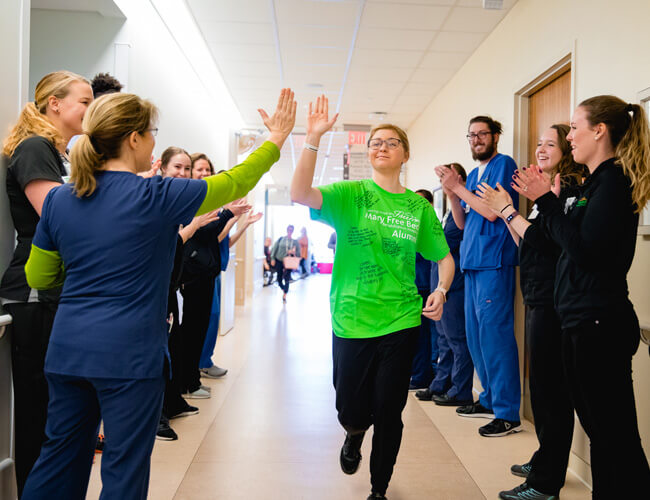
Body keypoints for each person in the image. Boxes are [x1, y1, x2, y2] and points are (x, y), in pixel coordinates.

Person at [20, 88, 296, 499]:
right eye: (151, 133)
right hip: (130, 357)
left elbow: (39, 276)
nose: (153, 141)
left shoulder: (61, 198)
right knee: (124, 464)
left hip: (68, 351)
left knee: (59, 456)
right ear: (133, 139)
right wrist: (275, 139)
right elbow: (236, 180)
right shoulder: (160, 196)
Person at [291, 95, 454, 500]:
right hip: (351, 316)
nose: (381, 146)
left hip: (400, 318)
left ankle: (379, 487)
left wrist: (440, 288)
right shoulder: (351, 194)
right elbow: (299, 193)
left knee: (390, 411)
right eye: (375, 142)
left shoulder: (418, 207)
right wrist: (313, 138)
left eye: (391, 142)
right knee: (350, 405)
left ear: (405, 155)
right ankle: (353, 431)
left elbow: (444, 258)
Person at [510, 96, 650, 499]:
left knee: (615, 439)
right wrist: (548, 205)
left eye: (574, 128)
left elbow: (586, 251)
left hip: (599, 324)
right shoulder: (595, 183)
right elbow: (562, 242)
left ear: (599, 131)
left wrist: (546, 201)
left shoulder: (614, 181)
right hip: (581, 322)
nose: (569, 137)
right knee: (606, 437)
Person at [477, 125, 586, 499]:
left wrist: (506, 209)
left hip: (557, 301)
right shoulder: (546, 195)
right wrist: (507, 210)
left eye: (550, 143)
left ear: (568, 150)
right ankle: (545, 460)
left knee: (551, 392)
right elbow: (527, 239)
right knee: (541, 390)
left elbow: (545, 241)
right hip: (539, 296)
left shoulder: (567, 192)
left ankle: (545, 481)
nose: (540, 149)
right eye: (538, 143)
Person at [0, 70, 93, 496]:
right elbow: (57, 217)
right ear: (54, 103)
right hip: (33, 296)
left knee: (55, 410)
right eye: (85, 101)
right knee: (40, 413)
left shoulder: (55, 152)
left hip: (51, 295)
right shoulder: (36, 148)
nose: (90, 110)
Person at [435, 115, 521, 437]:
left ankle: (507, 412)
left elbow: (491, 211)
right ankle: (487, 399)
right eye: (471, 135)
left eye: (482, 134)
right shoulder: (472, 174)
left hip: (493, 262)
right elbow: (461, 223)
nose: (476, 140)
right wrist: (454, 194)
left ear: (495, 136)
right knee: (475, 338)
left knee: (495, 338)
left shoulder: (503, 164)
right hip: (471, 262)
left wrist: (457, 187)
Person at [156, 146, 214, 441]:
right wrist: (193, 226)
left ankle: (172, 403)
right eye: (177, 167)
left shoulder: (179, 202)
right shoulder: (156, 198)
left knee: (173, 346)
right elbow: (165, 242)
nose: (184, 173)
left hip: (171, 285)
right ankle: (157, 416)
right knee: (159, 352)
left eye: (186, 169)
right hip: (156, 288)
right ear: (161, 168)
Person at [179, 155, 251, 393]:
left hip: (208, 273)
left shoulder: (208, 204)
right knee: (194, 328)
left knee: (203, 324)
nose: (204, 173)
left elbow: (214, 238)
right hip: (192, 276)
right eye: (198, 169)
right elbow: (203, 235)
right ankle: (192, 376)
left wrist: (233, 217)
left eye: (207, 169)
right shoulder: (188, 203)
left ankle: (194, 376)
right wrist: (229, 215)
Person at [416, 163, 474, 408]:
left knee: (456, 339)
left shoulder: (462, 212)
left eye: (446, 177)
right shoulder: (448, 213)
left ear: (459, 178)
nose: (443, 181)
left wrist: (454, 192)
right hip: (438, 283)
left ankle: (460, 389)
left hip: (454, 286)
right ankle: (441, 382)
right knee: (442, 339)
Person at [199, 205, 262, 378]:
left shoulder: (223, 216)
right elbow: (215, 239)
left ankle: (205, 361)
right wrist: (232, 219)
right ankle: (202, 363)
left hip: (216, 270)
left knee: (214, 316)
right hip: (206, 271)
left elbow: (227, 242)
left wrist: (245, 224)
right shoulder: (215, 214)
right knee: (210, 316)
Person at [408, 189, 436, 391]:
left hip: (425, 286)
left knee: (424, 335)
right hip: (413, 286)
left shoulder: (429, 227)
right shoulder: (412, 225)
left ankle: (421, 376)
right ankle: (417, 373)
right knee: (416, 335)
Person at [270, 225, 300, 303]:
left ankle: (285, 294)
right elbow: (274, 249)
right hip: (279, 260)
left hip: (289, 262)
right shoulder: (281, 239)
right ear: (287, 230)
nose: (290, 231)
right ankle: (283, 288)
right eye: (289, 229)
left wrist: (293, 252)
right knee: (279, 278)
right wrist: (272, 258)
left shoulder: (295, 241)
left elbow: (298, 253)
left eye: (291, 230)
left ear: (293, 231)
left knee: (287, 278)